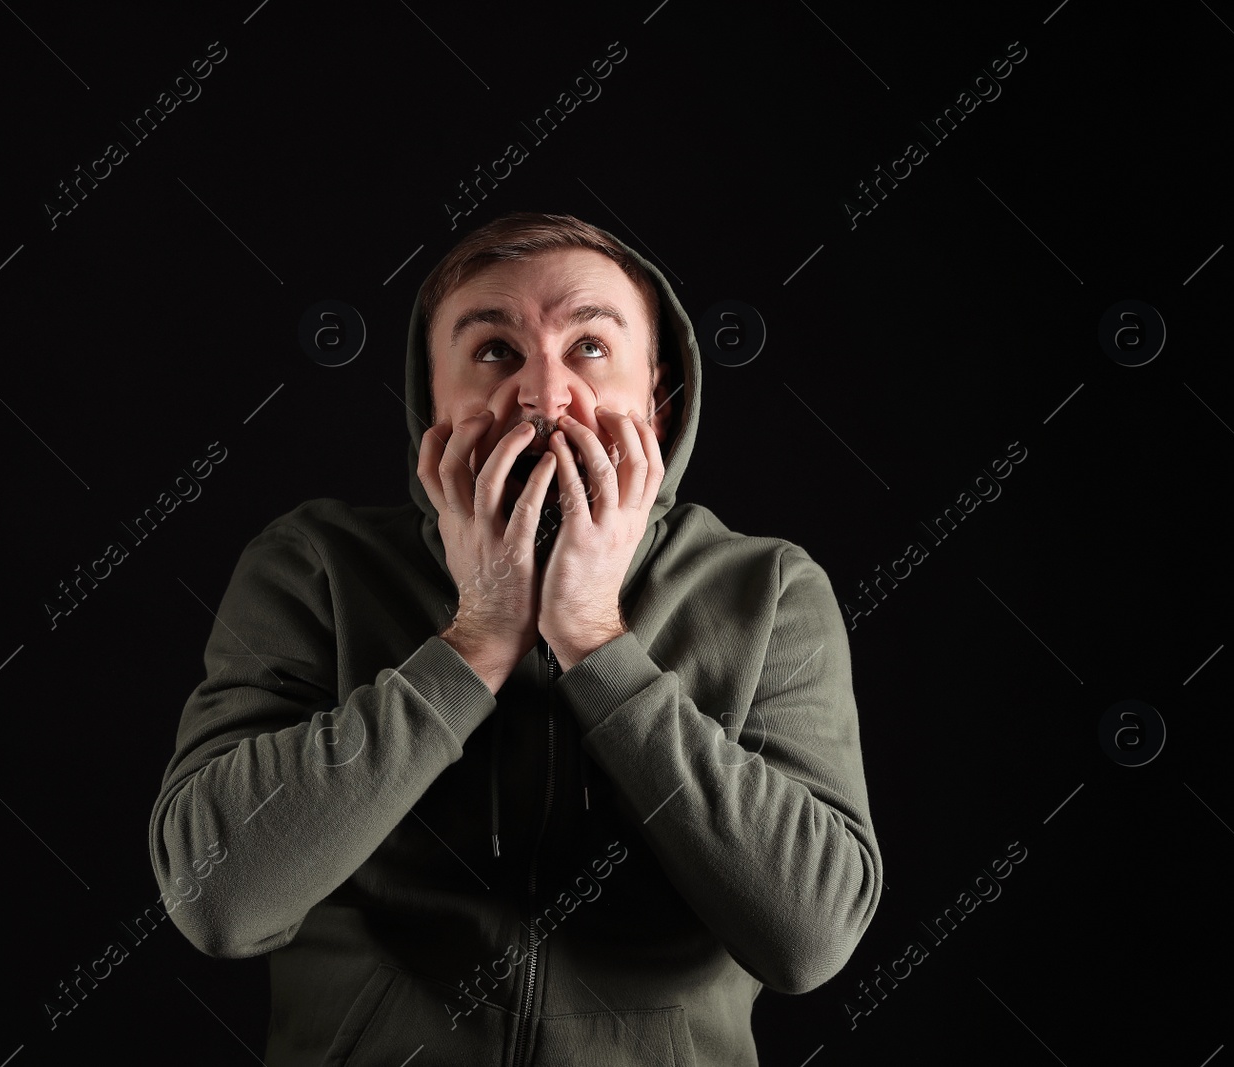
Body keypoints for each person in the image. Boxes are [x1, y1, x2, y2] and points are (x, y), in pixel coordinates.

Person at [148, 212, 883, 1066]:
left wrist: (597, 644)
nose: (543, 395)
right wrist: (476, 639)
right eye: (494, 350)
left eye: (591, 348)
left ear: (661, 396)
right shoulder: (311, 566)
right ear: (434, 401)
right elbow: (221, 899)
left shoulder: (768, 592)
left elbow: (809, 935)